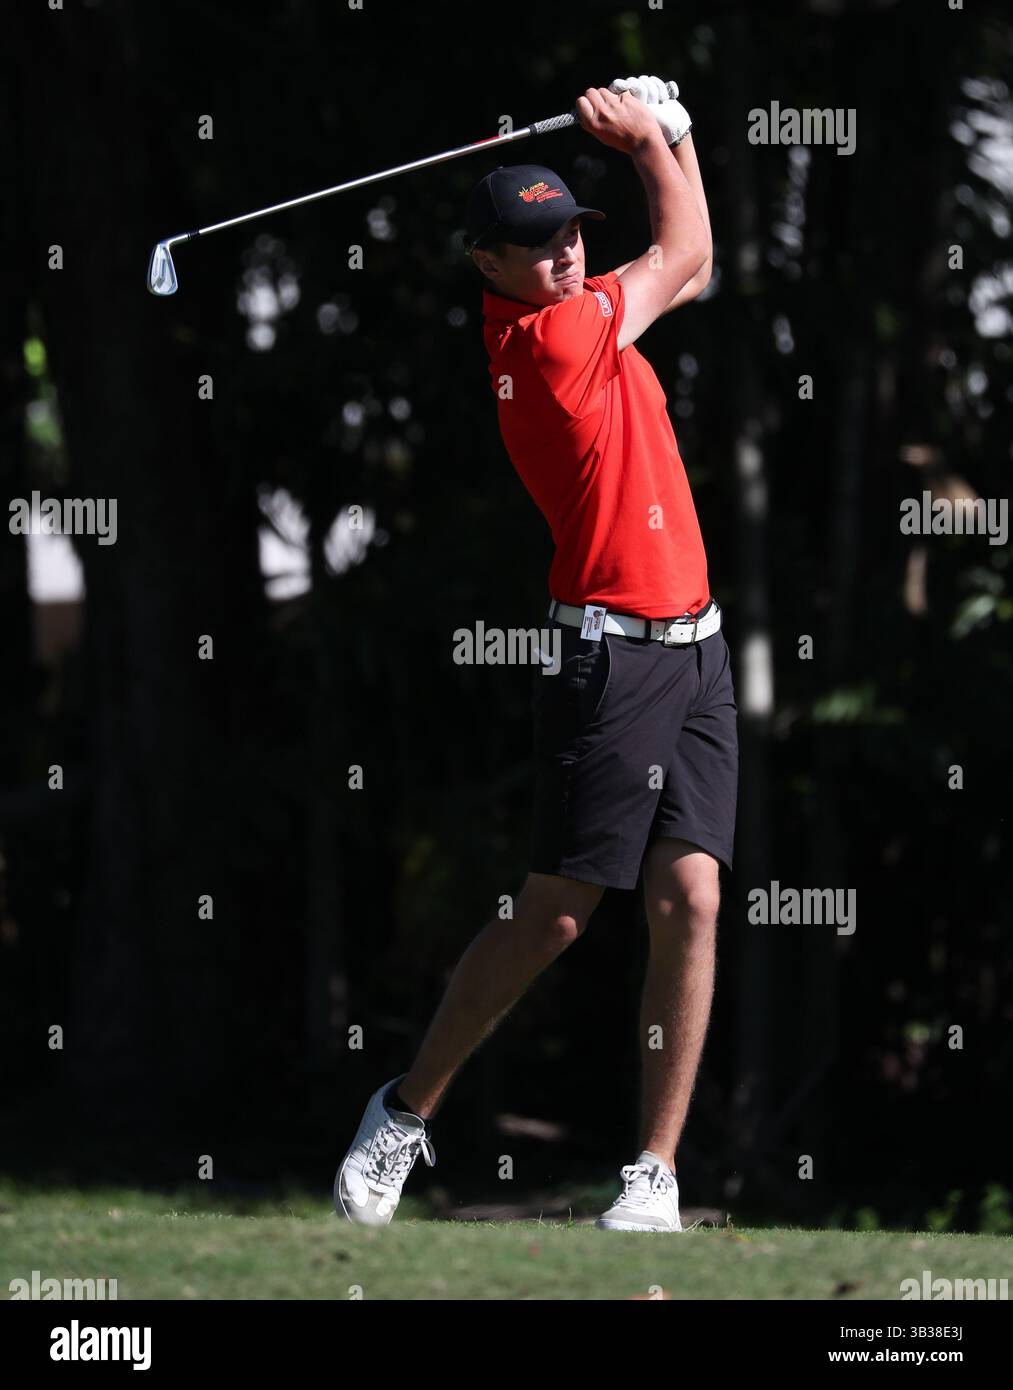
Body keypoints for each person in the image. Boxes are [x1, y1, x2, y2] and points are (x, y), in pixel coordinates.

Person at [335, 77, 738, 1233]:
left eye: (568, 234)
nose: (561, 256)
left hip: (696, 646)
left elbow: (690, 262)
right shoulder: (556, 343)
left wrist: (673, 140)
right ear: (488, 266)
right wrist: (660, 133)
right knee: (560, 910)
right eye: (533, 245)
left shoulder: (588, 311)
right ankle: (403, 1113)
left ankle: (651, 1179)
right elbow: (689, 242)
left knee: (693, 899)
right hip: (611, 659)